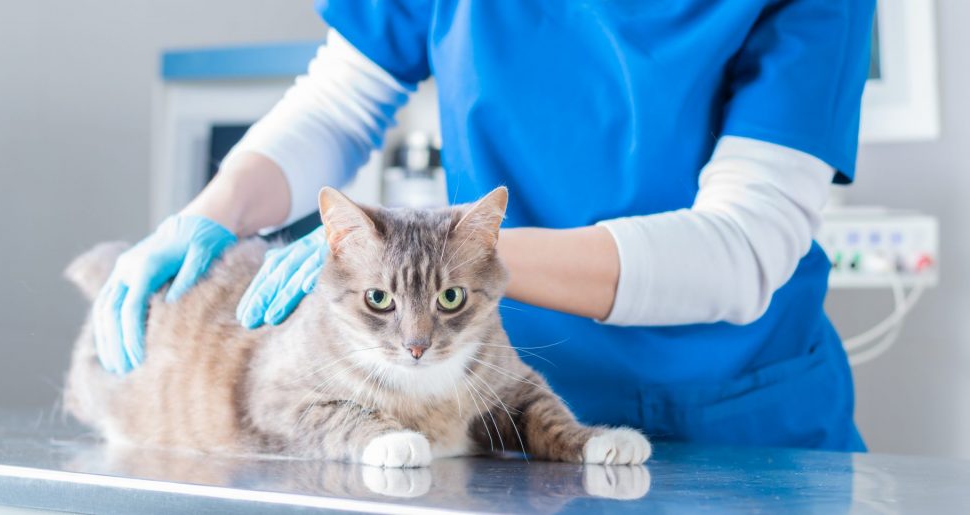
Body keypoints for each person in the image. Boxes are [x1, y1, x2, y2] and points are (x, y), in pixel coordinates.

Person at [94, 0, 876, 451]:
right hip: (487, 412)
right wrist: (210, 213)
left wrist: (464, 263)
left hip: (734, 419)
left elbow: (741, 247)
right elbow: (342, 98)